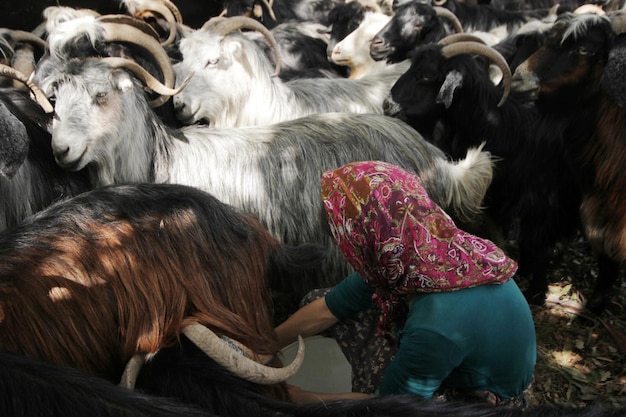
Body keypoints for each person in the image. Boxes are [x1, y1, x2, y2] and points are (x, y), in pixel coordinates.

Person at [275, 160, 536, 406]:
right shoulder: (413, 247)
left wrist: (302, 399)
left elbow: (390, 406)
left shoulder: (435, 326)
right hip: (450, 349)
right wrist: (263, 345)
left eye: (345, 240)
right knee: (314, 300)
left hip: (482, 398)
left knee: (376, 388)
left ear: (365, 239)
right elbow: (328, 308)